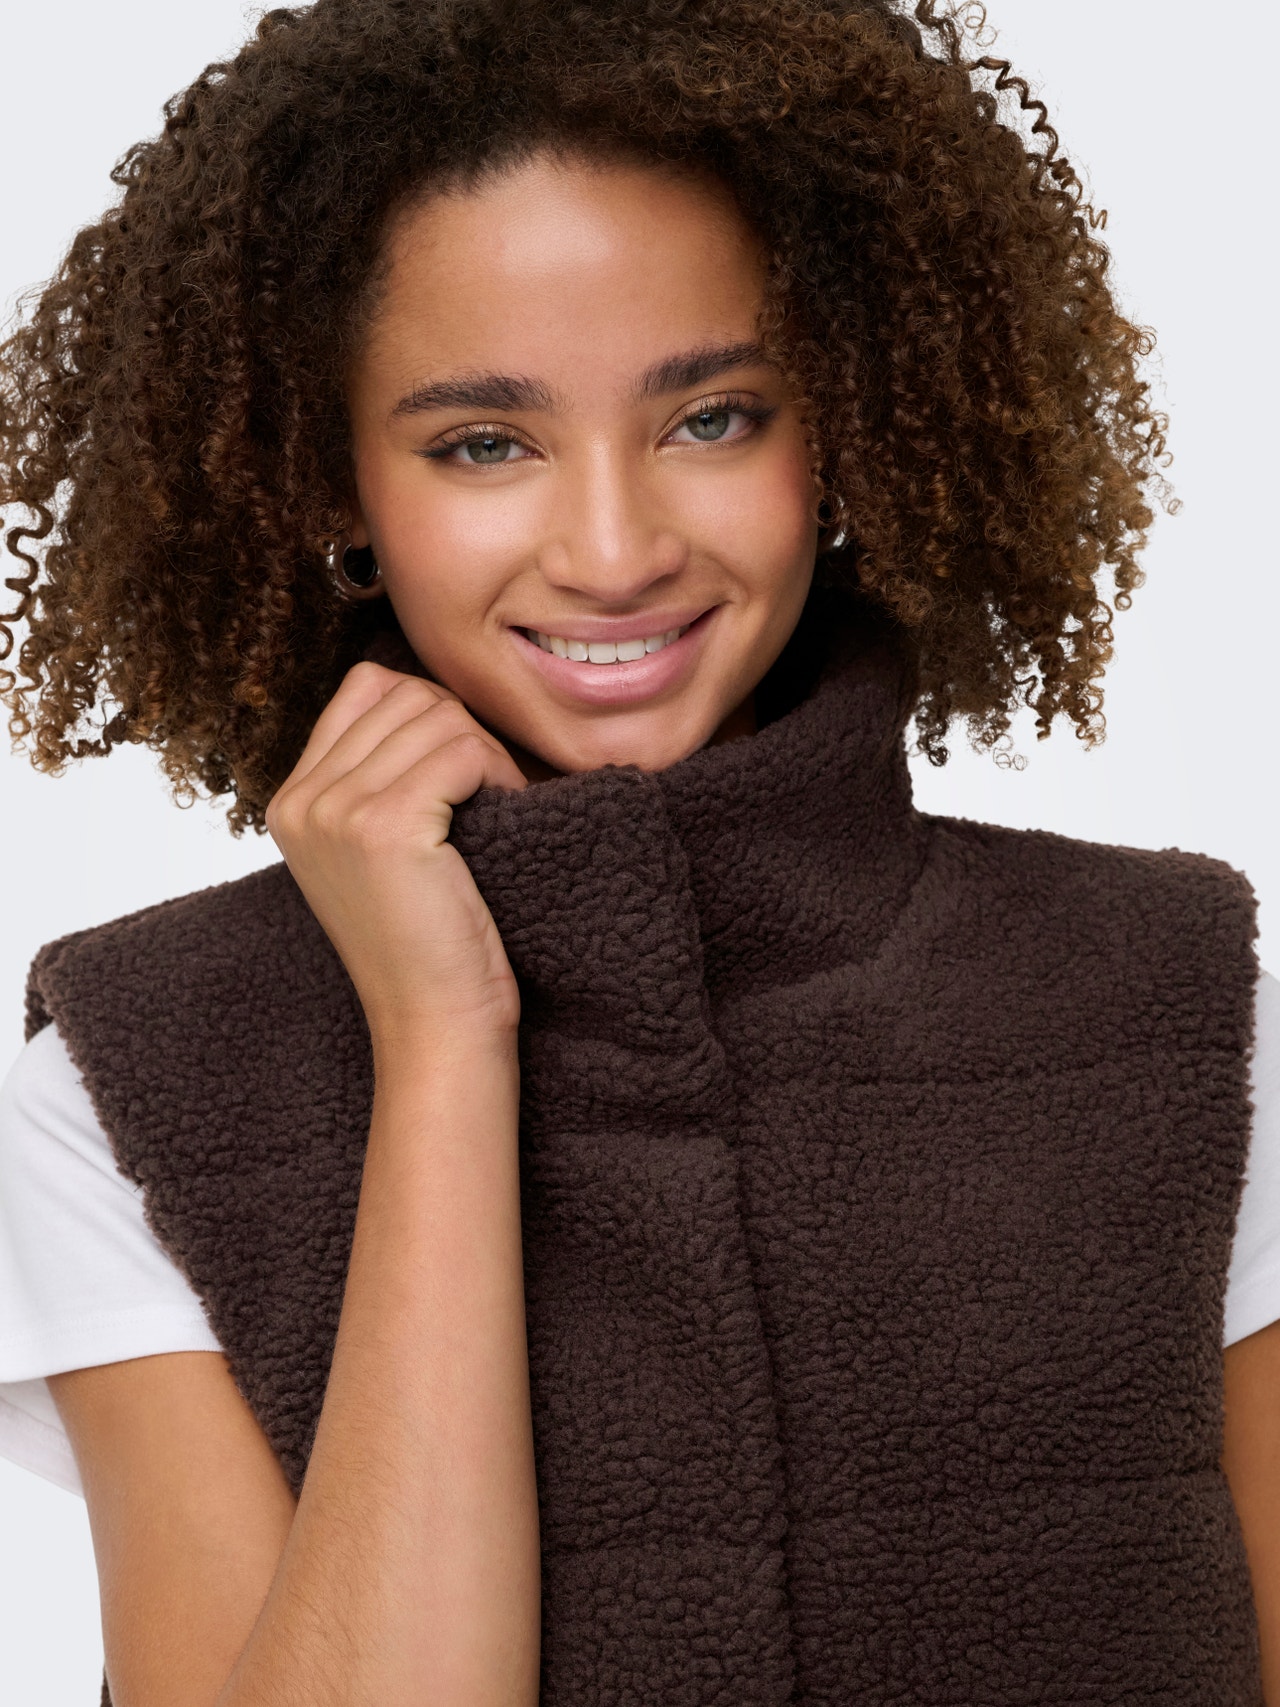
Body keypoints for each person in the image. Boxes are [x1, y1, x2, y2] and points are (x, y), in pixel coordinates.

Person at [1, 0, 1277, 1702]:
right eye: (484, 444)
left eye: (713, 418)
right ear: (329, 484)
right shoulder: (131, 1079)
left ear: (847, 428)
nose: (614, 551)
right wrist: (440, 1039)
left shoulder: (1181, 1006)